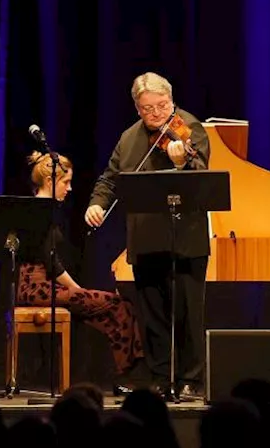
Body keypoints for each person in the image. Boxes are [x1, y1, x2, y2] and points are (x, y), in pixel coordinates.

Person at [85, 72, 210, 401]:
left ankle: (191, 379)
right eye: (146, 109)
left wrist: (183, 161)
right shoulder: (128, 138)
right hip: (144, 239)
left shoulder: (188, 128)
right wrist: (96, 205)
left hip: (185, 240)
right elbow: (110, 179)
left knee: (186, 313)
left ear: (171, 101)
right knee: (153, 316)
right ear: (137, 108)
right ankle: (159, 377)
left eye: (161, 106)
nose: (155, 114)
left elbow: (202, 175)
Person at [17, 150, 145, 395]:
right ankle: (123, 375)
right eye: (66, 182)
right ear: (50, 181)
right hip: (35, 288)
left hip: (42, 287)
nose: (70, 188)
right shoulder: (37, 212)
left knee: (113, 308)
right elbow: (51, 263)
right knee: (118, 305)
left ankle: (118, 373)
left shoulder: (45, 210)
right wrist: (76, 289)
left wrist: (77, 291)